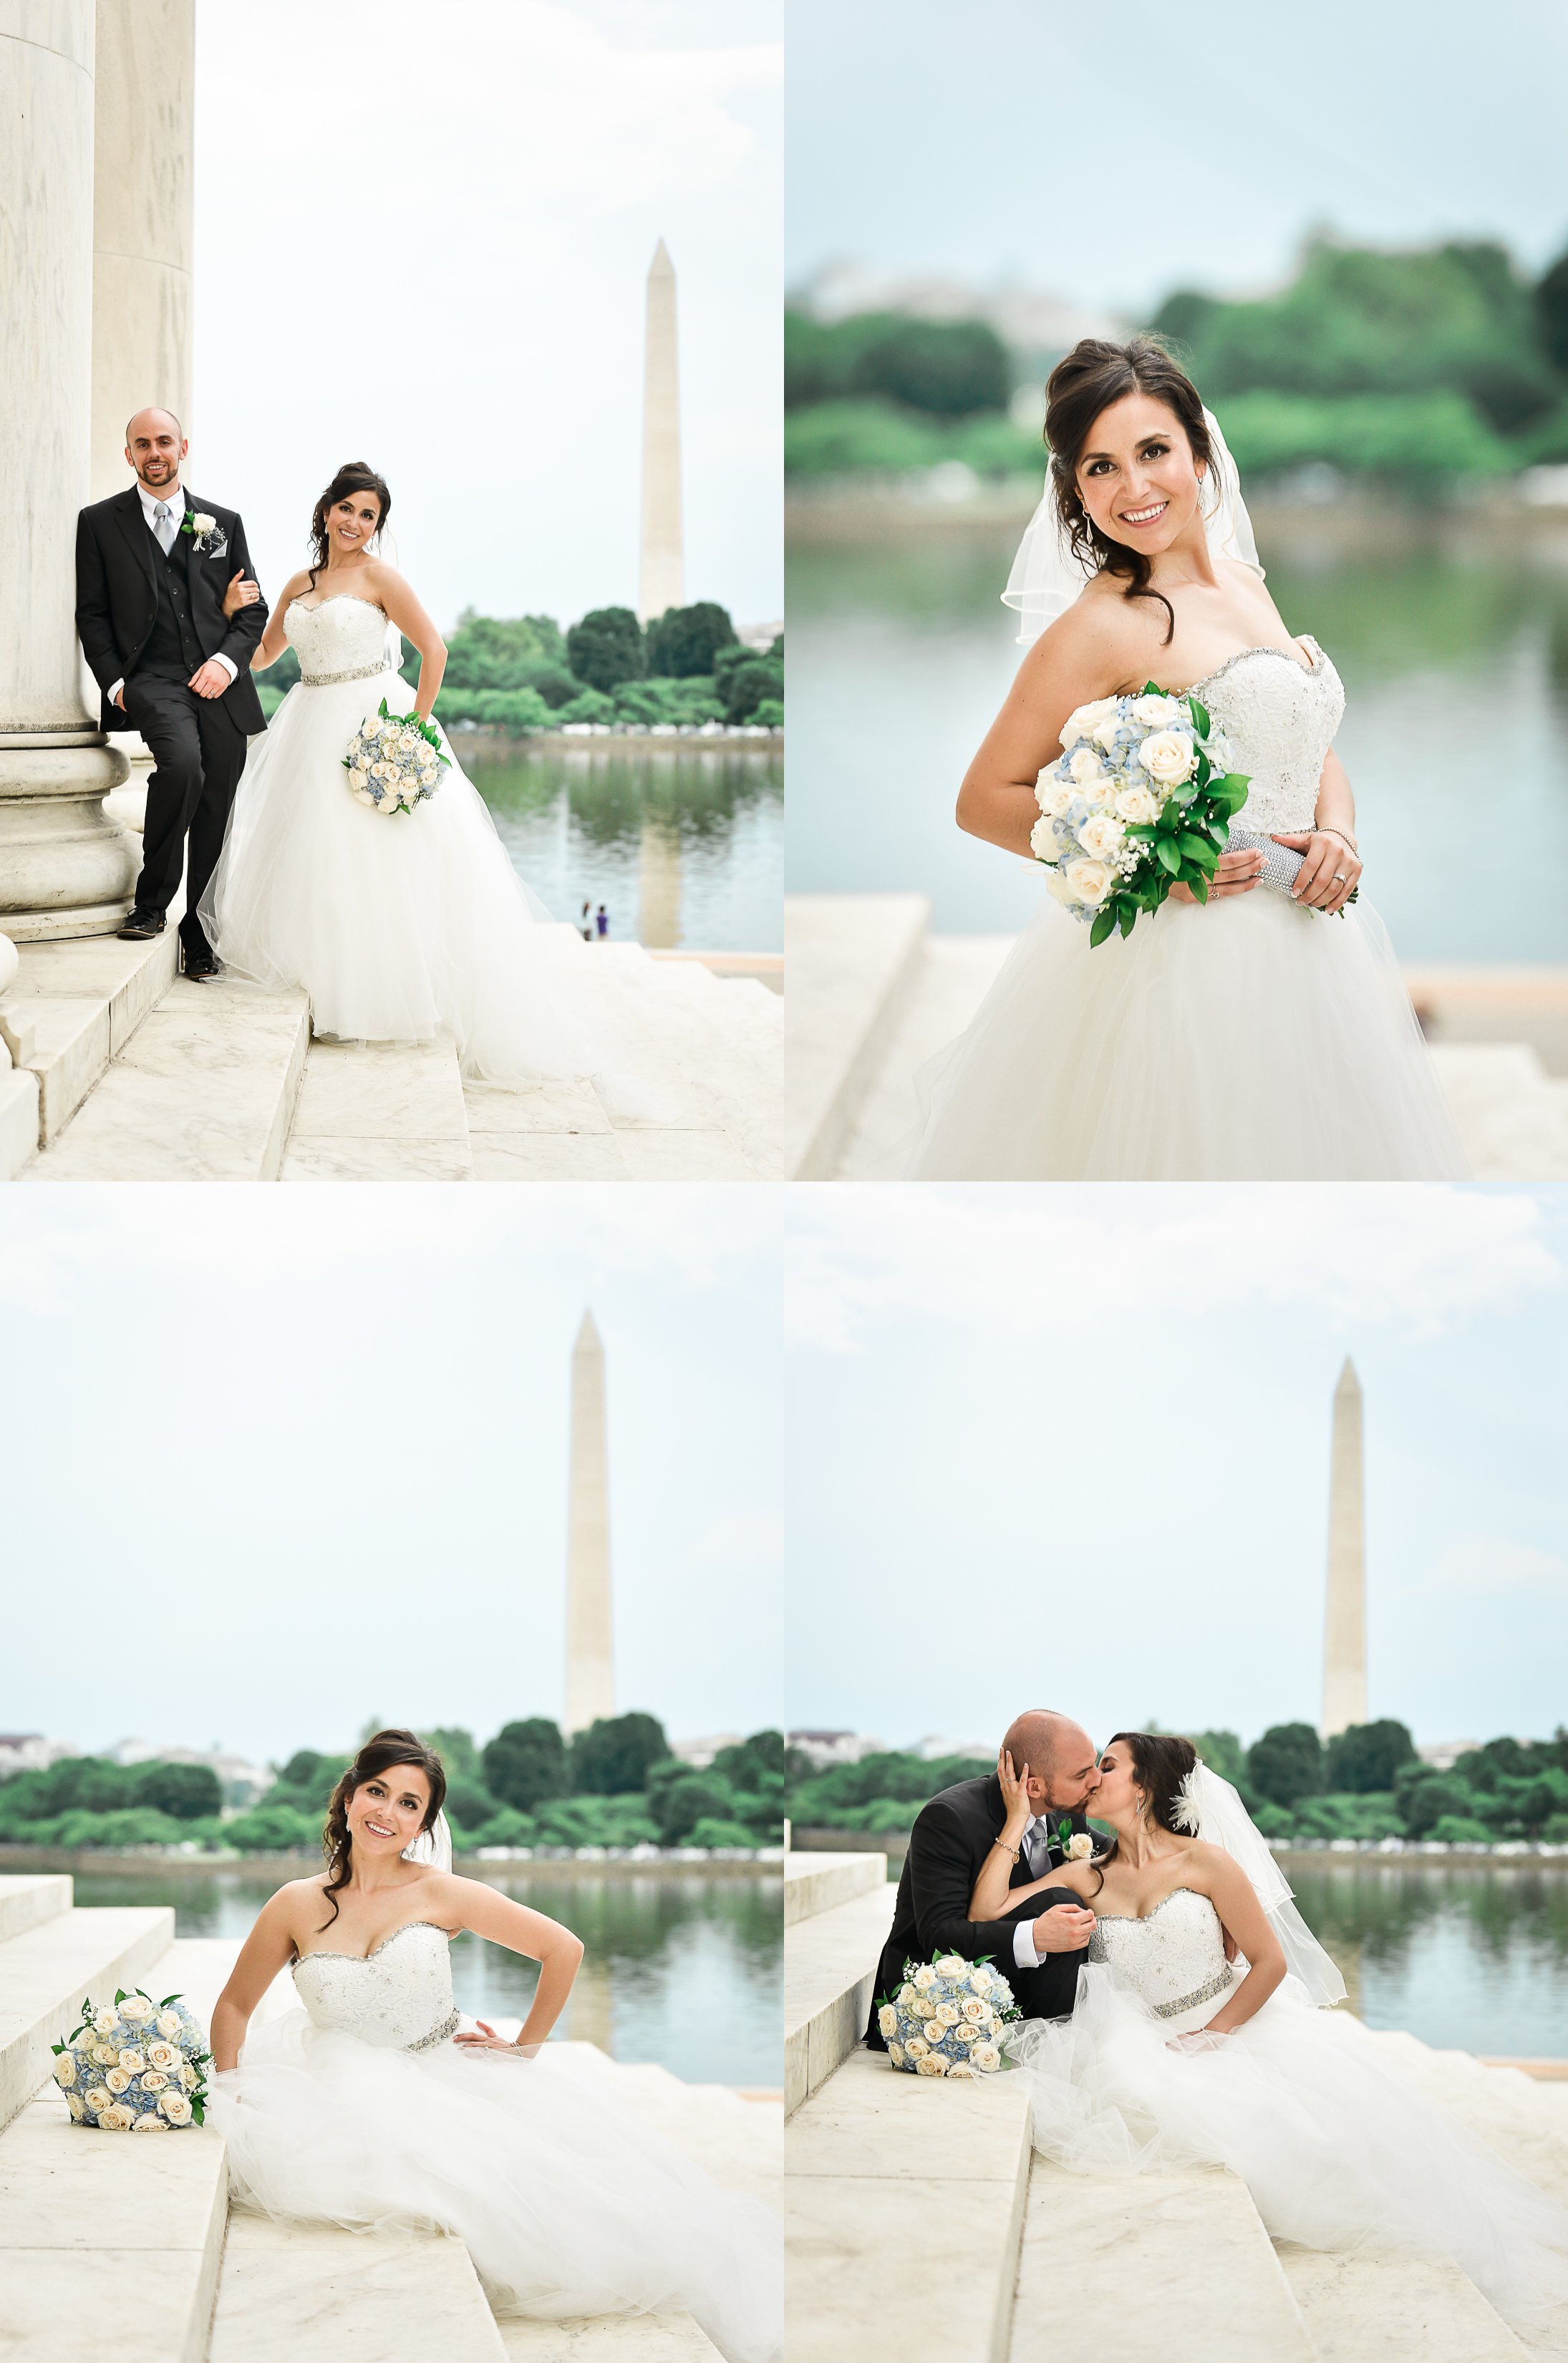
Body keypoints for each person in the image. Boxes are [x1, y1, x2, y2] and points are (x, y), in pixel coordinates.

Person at [901, 339, 1466, 1181]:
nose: (1133, 488)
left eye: (1154, 451)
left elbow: (1305, 742)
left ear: (1199, 452)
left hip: (1309, 947)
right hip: (1192, 963)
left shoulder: (1243, 582)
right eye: (1100, 467)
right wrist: (1151, 870)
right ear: (1074, 490)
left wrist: (1338, 833)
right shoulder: (1105, 625)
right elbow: (984, 798)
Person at [208, 1730, 780, 2363]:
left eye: (408, 1804)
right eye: (377, 1792)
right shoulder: (295, 1903)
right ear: (347, 1798)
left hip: (441, 2072)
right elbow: (234, 2006)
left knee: (553, 2213)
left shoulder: (440, 1893)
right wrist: (236, 2093)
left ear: (423, 1823)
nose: (387, 1813)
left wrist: (525, 2049)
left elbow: (563, 1949)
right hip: (331, 2087)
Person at [972, 1731, 1568, 2335]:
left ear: (1145, 1786)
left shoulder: (1207, 1863)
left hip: (1225, 2027)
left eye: (1108, 1766)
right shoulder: (1086, 1875)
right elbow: (986, 1911)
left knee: (1311, 2147)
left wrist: (1213, 2037)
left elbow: (1269, 1962)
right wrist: (1016, 1819)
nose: (1093, 1778)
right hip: (1139, 2035)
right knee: (1142, 2094)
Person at [74, 407, 268, 977]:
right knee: (182, 767)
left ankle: (201, 931)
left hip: (219, 684)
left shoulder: (223, 523)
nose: (154, 452)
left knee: (217, 804)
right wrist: (116, 684)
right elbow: (92, 614)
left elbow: (250, 610)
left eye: (164, 441)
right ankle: (152, 903)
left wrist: (226, 664)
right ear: (128, 454)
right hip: (151, 680)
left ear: (183, 449)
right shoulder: (99, 522)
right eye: (143, 444)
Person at [865, 1709, 1104, 2044]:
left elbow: (1122, 1861)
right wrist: (1034, 1936)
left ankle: (1067, 2043)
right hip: (945, 2006)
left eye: (1096, 1764)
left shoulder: (1065, 1811)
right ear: (1033, 1786)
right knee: (1060, 1901)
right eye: (1082, 1775)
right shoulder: (949, 1819)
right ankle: (1063, 2044)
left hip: (1027, 1990)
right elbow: (939, 1934)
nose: (1096, 1780)